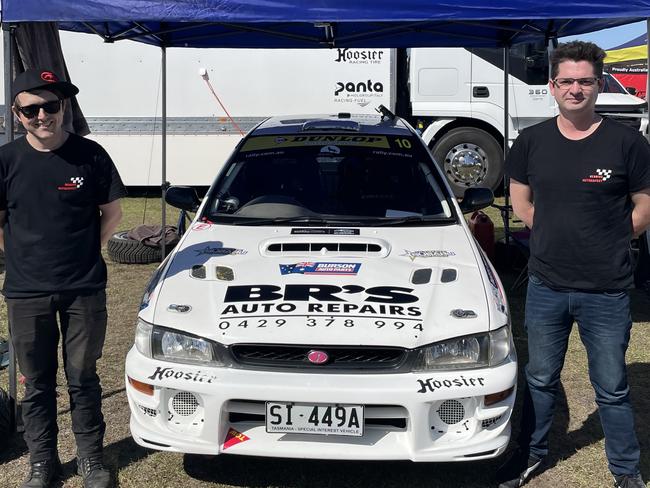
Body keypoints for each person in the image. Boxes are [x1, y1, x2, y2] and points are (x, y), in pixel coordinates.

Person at [496, 41, 650, 488]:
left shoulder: (627, 143)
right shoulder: (532, 141)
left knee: (612, 388)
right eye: (567, 81)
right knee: (540, 378)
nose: (576, 89)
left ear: (598, 84)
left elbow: (644, 203)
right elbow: (519, 199)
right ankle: (530, 455)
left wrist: (618, 238)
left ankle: (626, 471)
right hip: (546, 285)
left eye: (585, 81)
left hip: (606, 288)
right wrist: (549, 233)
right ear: (552, 85)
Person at [0, 69, 127, 488]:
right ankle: (43, 463)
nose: (43, 116)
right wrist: (20, 257)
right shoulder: (6, 160)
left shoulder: (91, 155)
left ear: (63, 108)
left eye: (50, 106)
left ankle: (92, 460)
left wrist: (84, 251)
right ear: (17, 114)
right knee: (35, 383)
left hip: (83, 288)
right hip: (26, 291)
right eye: (32, 109)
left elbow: (112, 215)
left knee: (82, 378)